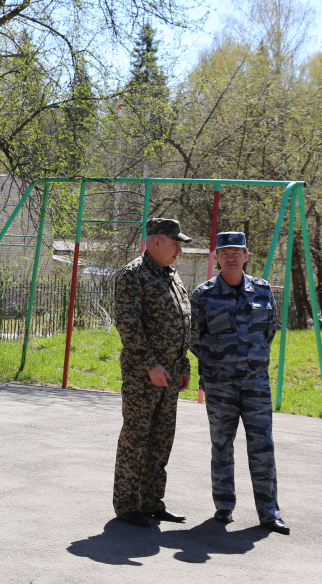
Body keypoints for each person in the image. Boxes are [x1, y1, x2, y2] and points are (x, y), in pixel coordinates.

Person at [190, 231, 290, 534]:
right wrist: (220, 364)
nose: (231, 257)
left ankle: (269, 512)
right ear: (217, 258)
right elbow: (195, 339)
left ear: (246, 256)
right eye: (225, 252)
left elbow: (270, 329)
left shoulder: (262, 290)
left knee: (263, 446)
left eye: (237, 252)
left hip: (256, 382)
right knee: (222, 446)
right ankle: (224, 507)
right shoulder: (203, 294)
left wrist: (251, 360)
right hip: (220, 385)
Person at [111, 218, 193, 527]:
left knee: (161, 439)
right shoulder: (134, 275)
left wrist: (182, 365)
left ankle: (151, 501)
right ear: (156, 243)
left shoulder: (171, 275)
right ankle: (127, 504)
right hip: (143, 375)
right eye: (175, 244)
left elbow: (184, 320)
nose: (179, 250)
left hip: (170, 374)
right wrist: (150, 365)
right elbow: (128, 324)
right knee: (136, 438)